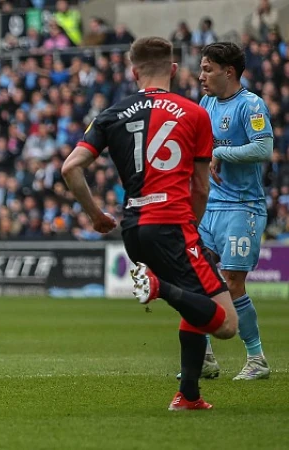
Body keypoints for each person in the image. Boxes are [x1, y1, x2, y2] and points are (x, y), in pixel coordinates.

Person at [61, 37, 239, 410]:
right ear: (173, 69)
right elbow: (201, 188)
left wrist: (96, 216)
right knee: (224, 323)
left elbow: (70, 168)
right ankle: (158, 287)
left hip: (133, 230)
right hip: (173, 224)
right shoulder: (195, 113)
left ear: (133, 71)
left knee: (195, 303)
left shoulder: (112, 113)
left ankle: (189, 395)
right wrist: (191, 227)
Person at [190, 42, 273, 381]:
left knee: (233, 282)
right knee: (196, 278)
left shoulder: (251, 104)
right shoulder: (205, 103)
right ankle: (204, 356)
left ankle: (257, 360)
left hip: (242, 206)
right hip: (209, 205)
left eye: (207, 69)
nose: (201, 76)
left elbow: (264, 147)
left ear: (228, 71)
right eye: (201, 69)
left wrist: (222, 154)